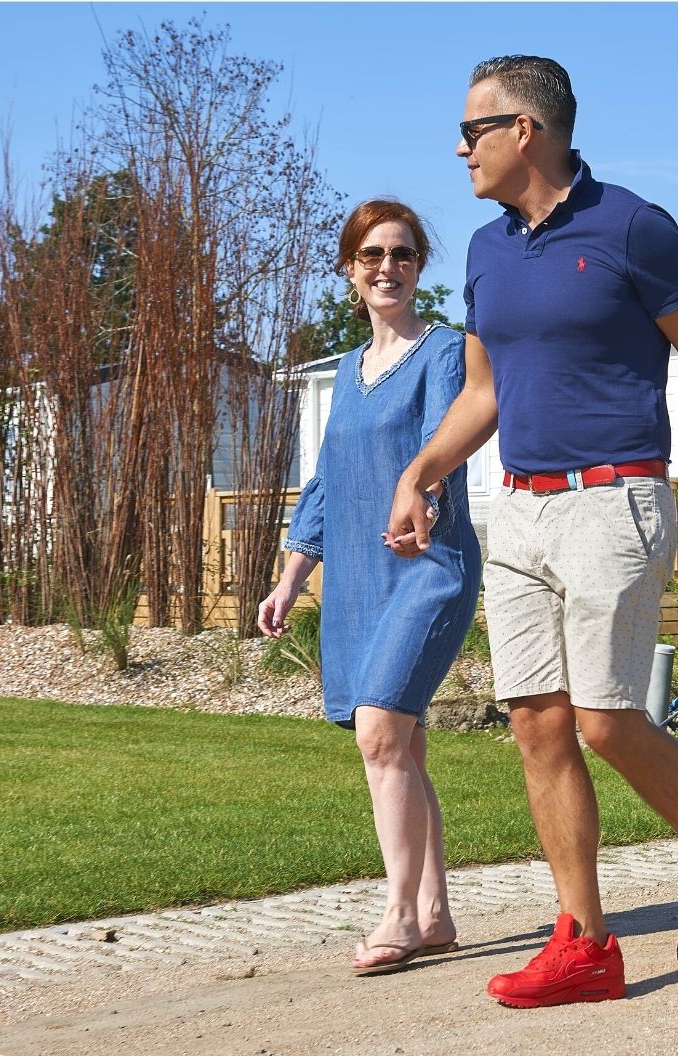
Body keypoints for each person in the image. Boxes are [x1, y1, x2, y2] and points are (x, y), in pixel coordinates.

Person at [383, 55, 678, 1008]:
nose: (460, 149)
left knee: (605, 719)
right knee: (536, 721)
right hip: (519, 507)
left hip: (616, 501)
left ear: (524, 130)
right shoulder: (486, 251)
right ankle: (586, 942)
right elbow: (485, 392)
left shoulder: (634, 227)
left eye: (472, 131)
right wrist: (422, 472)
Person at [257, 199, 482, 976]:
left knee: (380, 735)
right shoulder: (349, 375)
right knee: (404, 745)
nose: (388, 267)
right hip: (356, 578)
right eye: (372, 255)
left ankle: (398, 915)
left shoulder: (444, 351)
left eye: (403, 254)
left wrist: (426, 503)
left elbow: (444, 444)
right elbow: (327, 481)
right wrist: (292, 577)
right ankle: (435, 913)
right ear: (350, 269)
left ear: (420, 267)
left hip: (427, 568)